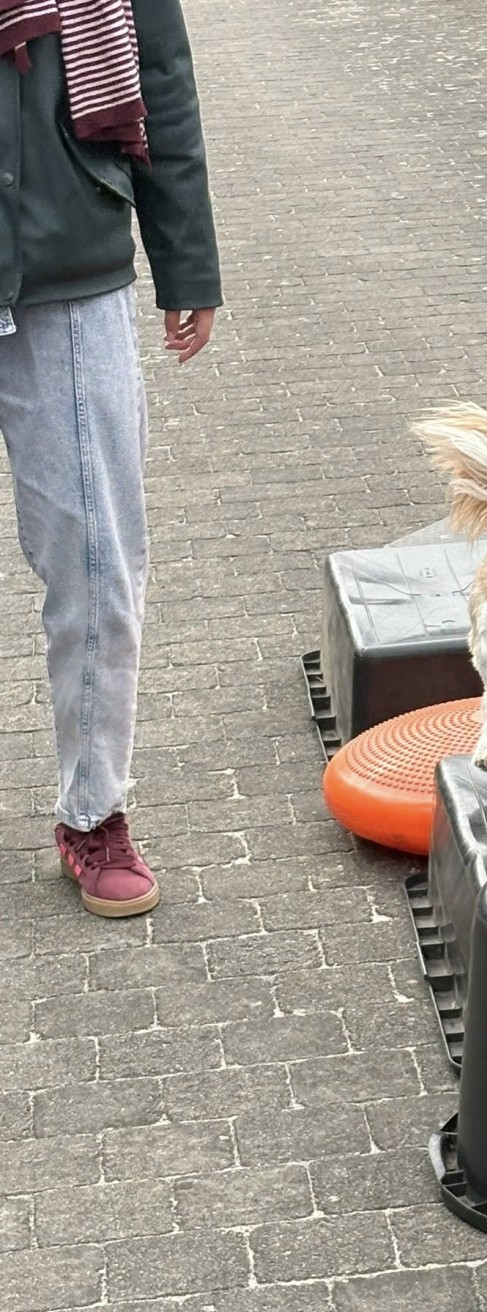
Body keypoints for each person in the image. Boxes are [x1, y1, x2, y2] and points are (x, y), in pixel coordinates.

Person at [0, 0, 221, 917]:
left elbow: (161, 81)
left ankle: (93, 811)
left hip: (70, 265)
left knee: (99, 563)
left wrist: (187, 261)